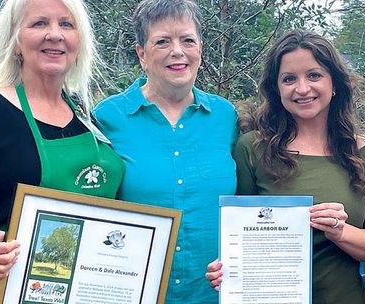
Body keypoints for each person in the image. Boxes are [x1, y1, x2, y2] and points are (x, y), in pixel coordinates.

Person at [204, 29, 365, 304]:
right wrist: (227, 271)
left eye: (314, 75)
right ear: (276, 88)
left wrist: (341, 231)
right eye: (289, 79)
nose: (302, 88)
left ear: (335, 83)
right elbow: (239, 234)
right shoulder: (252, 148)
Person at [0, 0, 124, 302]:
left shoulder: (84, 114)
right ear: (15, 40)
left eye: (66, 24)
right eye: (39, 23)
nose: (55, 34)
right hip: (1, 290)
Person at [93, 0, 237, 302]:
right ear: (141, 54)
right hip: (136, 293)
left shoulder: (226, 117)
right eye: (162, 41)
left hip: (215, 295)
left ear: (200, 49)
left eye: (188, 40)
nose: (177, 51)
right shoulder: (107, 117)